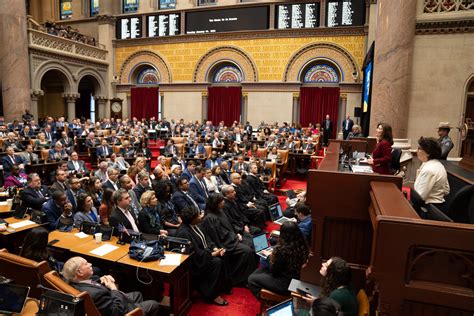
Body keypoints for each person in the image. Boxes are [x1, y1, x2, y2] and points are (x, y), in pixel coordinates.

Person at [62, 257, 160, 316]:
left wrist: (101, 279)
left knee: (138, 294)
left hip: (110, 303)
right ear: (79, 272)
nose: (90, 264)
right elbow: (117, 311)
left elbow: (89, 284)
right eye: (86, 264)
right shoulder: (97, 294)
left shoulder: (73, 283)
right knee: (153, 304)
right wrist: (113, 288)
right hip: (120, 310)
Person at [176, 206, 231, 305]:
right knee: (216, 262)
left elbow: (207, 238)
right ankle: (210, 294)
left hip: (204, 253)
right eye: (198, 215)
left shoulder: (196, 224)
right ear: (192, 219)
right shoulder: (184, 233)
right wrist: (213, 254)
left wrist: (215, 248)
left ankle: (222, 286)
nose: (201, 216)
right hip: (194, 261)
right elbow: (195, 255)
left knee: (223, 255)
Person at [201, 193, 256, 286]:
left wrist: (237, 233)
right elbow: (219, 236)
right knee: (247, 251)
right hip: (224, 243)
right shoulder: (209, 218)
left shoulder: (220, 211)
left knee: (252, 241)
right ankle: (241, 279)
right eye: (221, 201)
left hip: (231, 237)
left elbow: (229, 225)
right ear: (216, 204)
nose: (223, 202)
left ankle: (252, 273)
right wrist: (235, 237)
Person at [247, 221, 310, 298]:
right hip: (295, 278)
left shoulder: (282, 250)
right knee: (258, 271)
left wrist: (269, 257)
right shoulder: (302, 244)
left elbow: (275, 272)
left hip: (285, 284)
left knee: (251, 279)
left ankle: (266, 297)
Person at [413, 137, 450, 210]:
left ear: (428, 153)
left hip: (428, 209)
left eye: (419, 148)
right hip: (437, 206)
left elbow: (419, 197)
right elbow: (446, 190)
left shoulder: (429, 170)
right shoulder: (438, 165)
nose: (416, 150)